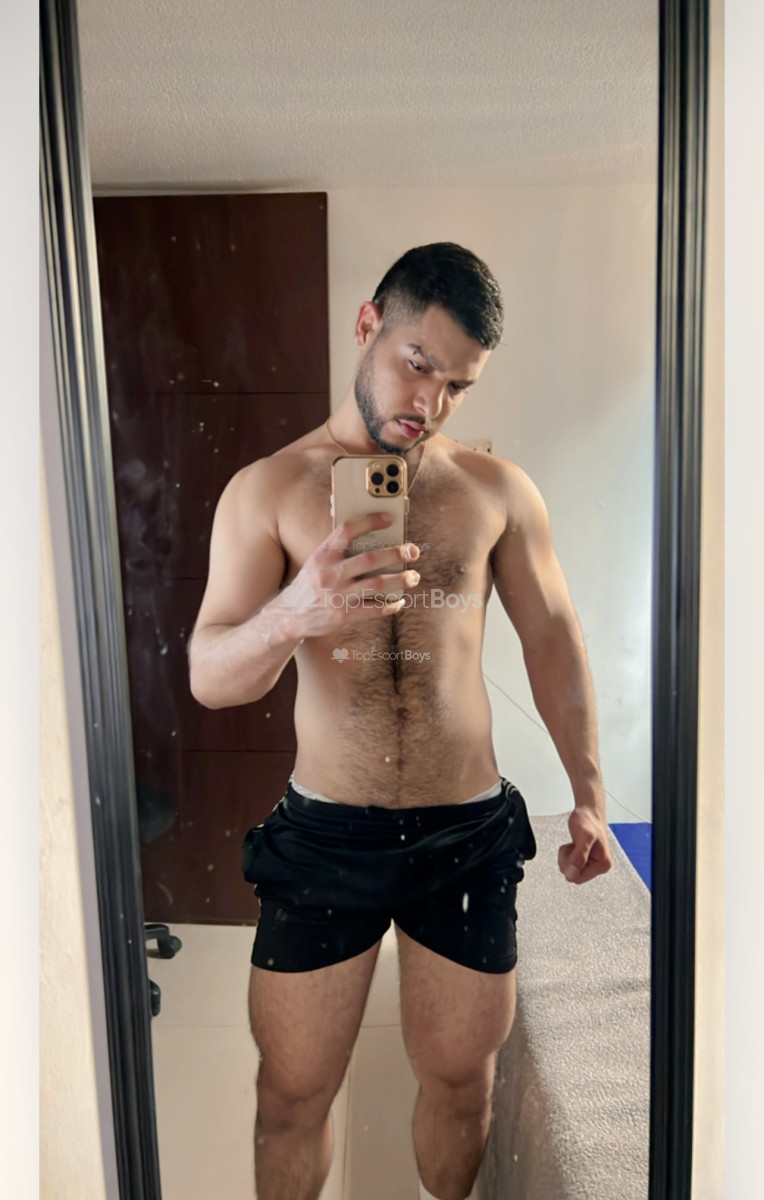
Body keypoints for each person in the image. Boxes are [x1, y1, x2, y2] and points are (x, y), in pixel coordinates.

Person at [188, 242, 612, 1200]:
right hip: (325, 833)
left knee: (462, 1086)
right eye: (418, 364)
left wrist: (589, 793)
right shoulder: (267, 490)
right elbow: (211, 676)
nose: (430, 402)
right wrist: (294, 613)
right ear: (367, 324)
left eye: (457, 385)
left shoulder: (497, 491)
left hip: (465, 831)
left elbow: (554, 643)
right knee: (290, 1096)